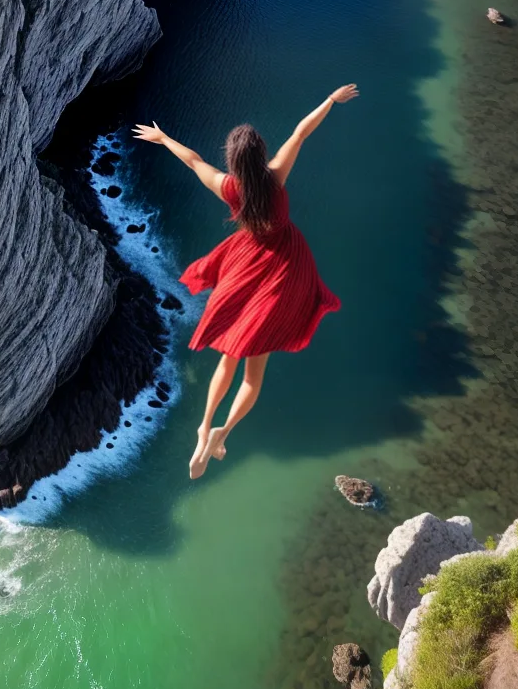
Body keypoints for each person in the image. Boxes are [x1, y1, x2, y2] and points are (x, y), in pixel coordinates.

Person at [133, 85, 358, 478]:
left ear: (234, 161)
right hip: (283, 268)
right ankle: (223, 431)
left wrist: (163, 137)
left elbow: (193, 161)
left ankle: (204, 426)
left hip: (246, 263)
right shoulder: (275, 177)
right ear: (260, 154)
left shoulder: (229, 187)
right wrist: (329, 100)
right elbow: (301, 132)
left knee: (228, 356)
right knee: (253, 377)